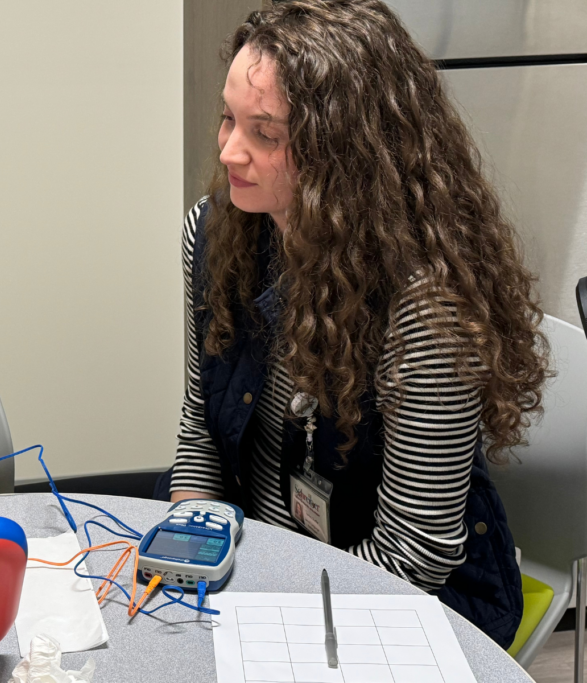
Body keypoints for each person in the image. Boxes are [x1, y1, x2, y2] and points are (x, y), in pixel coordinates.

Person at [160, 0, 548, 647]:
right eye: (228, 118)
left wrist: (263, 617)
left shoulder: (428, 302)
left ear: (347, 151)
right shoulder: (214, 231)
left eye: (266, 133)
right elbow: (202, 421)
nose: (229, 150)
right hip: (259, 567)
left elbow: (414, 551)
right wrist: (186, 550)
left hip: (403, 594)